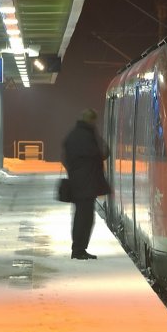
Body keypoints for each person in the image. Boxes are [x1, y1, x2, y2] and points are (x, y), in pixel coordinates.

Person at [62, 108, 111, 260]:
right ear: (90, 120)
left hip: (78, 182)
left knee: (80, 217)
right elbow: (100, 154)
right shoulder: (87, 135)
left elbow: (66, 158)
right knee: (85, 218)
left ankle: (79, 248)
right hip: (86, 183)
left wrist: (73, 171)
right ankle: (78, 250)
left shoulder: (73, 134)